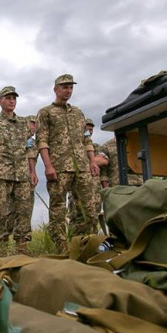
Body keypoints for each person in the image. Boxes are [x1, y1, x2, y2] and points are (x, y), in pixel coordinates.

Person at [36, 74, 99, 254]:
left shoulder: (78, 113)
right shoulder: (46, 112)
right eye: (65, 87)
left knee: (89, 208)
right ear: (56, 89)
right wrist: (48, 166)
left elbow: (86, 139)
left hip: (81, 167)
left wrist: (92, 161)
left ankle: (84, 246)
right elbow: (42, 141)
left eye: (71, 87)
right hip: (59, 168)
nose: (68, 90)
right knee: (58, 210)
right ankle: (62, 249)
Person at [0, 86, 38, 254]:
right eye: (8, 98)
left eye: (14, 98)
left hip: (22, 174)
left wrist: (32, 171)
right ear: (0, 101)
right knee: (0, 211)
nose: (12, 101)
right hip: (0, 174)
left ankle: (22, 249)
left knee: (24, 211)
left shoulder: (24, 123)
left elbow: (30, 149)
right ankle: (0, 250)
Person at [68, 118, 107, 235]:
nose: (89, 132)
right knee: (75, 215)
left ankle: (92, 241)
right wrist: (91, 162)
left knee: (93, 215)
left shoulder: (96, 147)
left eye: (91, 130)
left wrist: (84, 162)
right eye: (86, 129)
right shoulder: (73, 146)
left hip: (94, 190)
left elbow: (104, 160)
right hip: (77, 188)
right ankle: (74, 242)